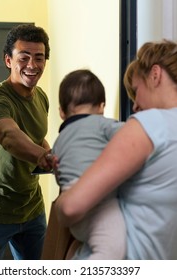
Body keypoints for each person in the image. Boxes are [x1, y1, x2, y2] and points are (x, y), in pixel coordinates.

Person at [54, 37, 177, 259]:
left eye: (136, 91)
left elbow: (71, 207)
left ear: (155, 75)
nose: (135, 105)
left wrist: (61, 203)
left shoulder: (151, 126)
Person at [0, 24, 53, 260]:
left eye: (39, 57)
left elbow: (35, 136)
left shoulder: (41, 97)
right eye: (23, 57)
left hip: (31, 206)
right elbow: (8, 136)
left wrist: (53, 155)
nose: (32, 65)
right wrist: (42, 157)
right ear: (8, 60)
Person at [51, 69, 126, 259]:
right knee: (112, 250)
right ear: (101, 107)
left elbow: (59, 173)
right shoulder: (103, 124)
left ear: (61, 112)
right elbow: (131, 137)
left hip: (71, 204)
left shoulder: (59, 140)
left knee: (88, 245)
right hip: (96, 200)